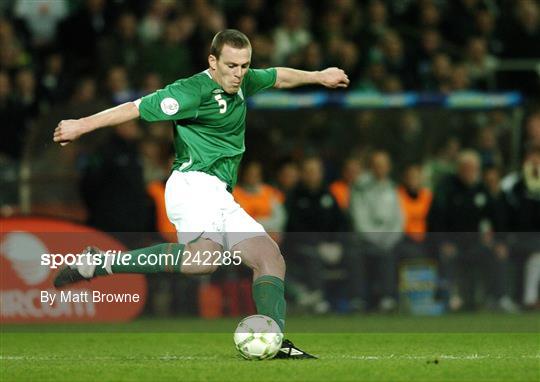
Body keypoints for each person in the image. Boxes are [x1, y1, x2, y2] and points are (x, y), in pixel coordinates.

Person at [52, 29, 349, 359]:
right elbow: (136, 107)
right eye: (231, 65)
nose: (239, 74)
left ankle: (273, 338)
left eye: (245, 66)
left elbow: (279, 77)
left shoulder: (244, 81)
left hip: (220, 193)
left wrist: (319, 76)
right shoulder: (191, 91)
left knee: (270, 258)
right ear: (213, 61)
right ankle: (102, 263)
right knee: (202, 261)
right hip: (191, 183)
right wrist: (81, 125)